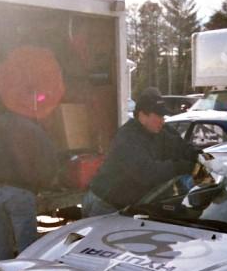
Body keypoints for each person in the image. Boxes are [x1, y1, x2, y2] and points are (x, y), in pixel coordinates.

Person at [83, 87, 198, 217]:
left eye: (163, 116)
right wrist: (182, 167)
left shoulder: (160, 131)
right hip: (105, 205)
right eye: (158, 116)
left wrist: (200, 157)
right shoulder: (127, 138)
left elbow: (180, 146)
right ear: (142, 116)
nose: (162, 120)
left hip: (127, 205)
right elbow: (147, 172)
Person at [0, 109, 59, 260]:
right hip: (20, 192)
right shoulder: (32, 129)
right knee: (27, 250)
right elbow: (48, 159)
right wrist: (42, 184)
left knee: (2, 248)